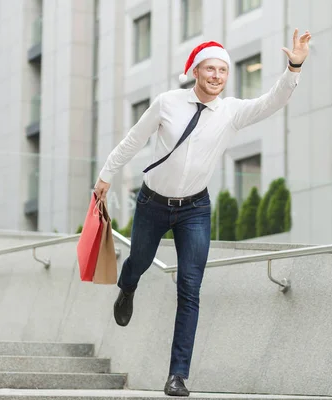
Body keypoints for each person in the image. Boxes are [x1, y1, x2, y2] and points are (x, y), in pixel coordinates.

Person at [93, 28, 311, 396]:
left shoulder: (232, 112)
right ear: (196, 71)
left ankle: (178, 375)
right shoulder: (167, 103)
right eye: (210, 69)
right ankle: (127, 287)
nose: (216, 77)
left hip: (195, 209)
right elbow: (134, 139)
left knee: (190, 289)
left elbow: (273, 101)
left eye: (222, 71)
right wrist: (106, 176)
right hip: (153, 204)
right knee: (139, 262)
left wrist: (294, 66)